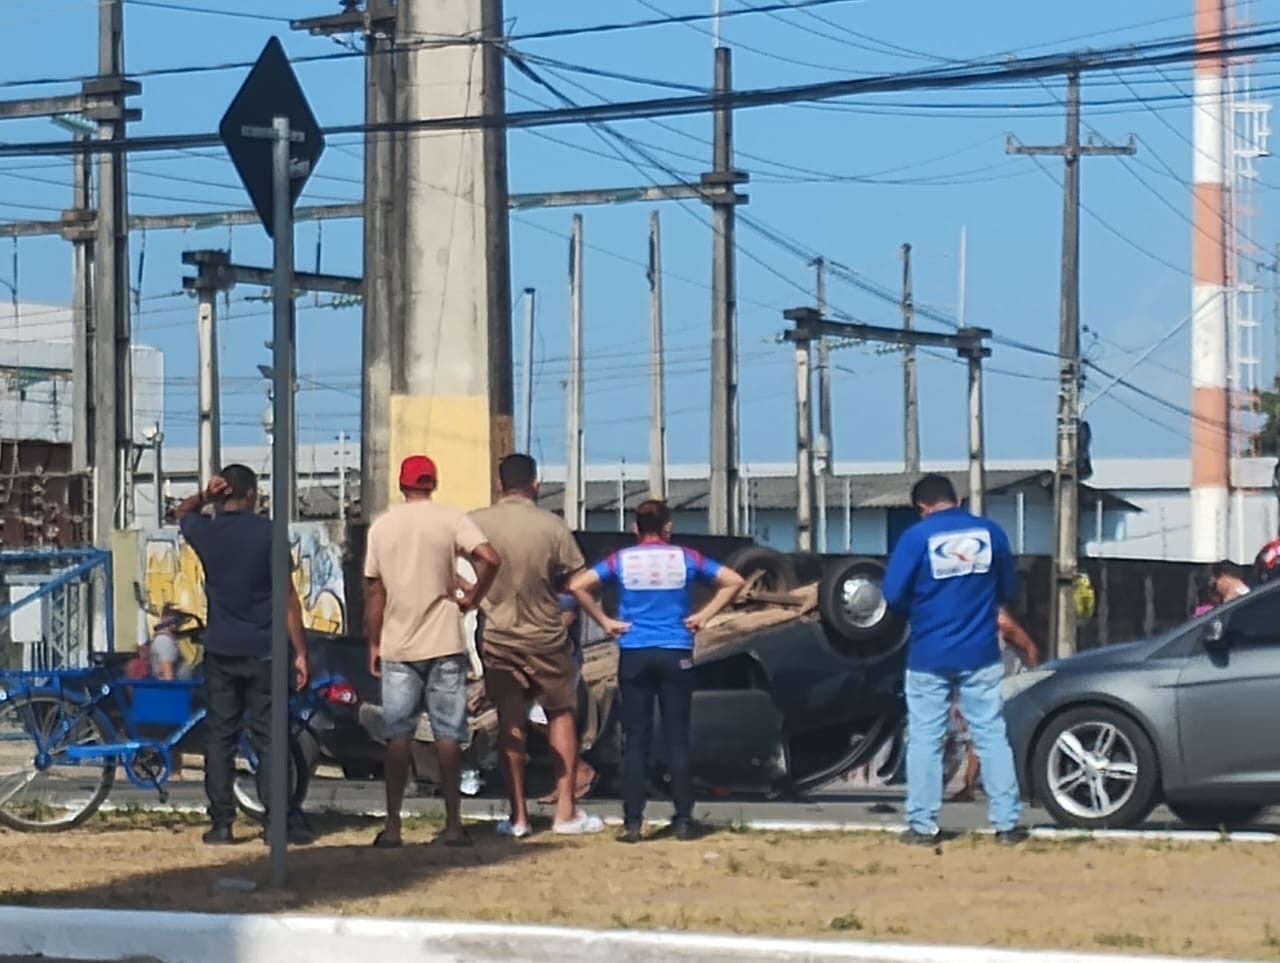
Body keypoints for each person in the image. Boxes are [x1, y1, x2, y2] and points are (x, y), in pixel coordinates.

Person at [569, 499, 744, 844]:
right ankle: (682, 819)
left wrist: (604, 620)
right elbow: (733, 580)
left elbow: (577, 585)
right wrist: (703, 616)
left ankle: (633, 822)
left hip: (634, 650)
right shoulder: (686, 557)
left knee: (635, 739)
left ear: (635, 529)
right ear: (668, 527)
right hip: (676, 648)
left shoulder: (622, 560)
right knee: (677, 737)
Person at [881, 473, 1026, 846]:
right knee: (991, 732)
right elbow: (1008, 587)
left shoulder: (916, 538)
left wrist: (920, 608)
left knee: (926, 737)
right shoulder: (991, 533)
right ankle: (1007, 824)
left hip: (929, 652)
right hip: (980, 651)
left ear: (922, 508)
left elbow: (893, 594)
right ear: (957, 500)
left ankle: (923, 825)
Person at [364, 454, 501, 848]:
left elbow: (375, 591)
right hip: (444, 639)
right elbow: (490, 557)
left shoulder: (382, 527)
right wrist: (473, 596)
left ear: (401, 484)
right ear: (433, 482)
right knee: (448, 735)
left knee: (398, 735)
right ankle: (454, 823)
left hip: (399, 643)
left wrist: (374, 641)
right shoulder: (451, 520)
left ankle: (393, 826)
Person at [470, 453, 609, 837]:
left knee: (511, 720)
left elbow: (452, 565)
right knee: (561, 714)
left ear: (499, 485)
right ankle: (566, 811)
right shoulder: (553, 526)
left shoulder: (475, 523)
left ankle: (518, 817)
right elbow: (580, 579)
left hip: (498, 635)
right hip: (547, 635)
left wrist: (469, 595)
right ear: (535, 483)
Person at [174, 465, 312, 846]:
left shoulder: (207, 533)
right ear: (251, 493)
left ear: (223, 492)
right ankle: (276, 821)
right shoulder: (269, 534)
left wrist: (204, 498)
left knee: (220, 737)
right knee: (269, 737)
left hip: (220, 648)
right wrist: (300, 652)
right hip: (265, 650)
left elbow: (180, 515)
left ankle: (221, 823)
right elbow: (287, 598)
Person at [949, 608, 1040, 803]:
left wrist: (1033, 680)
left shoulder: (1002, 622)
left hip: (1015, 683)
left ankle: (1028, 788)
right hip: (991, 684)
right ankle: (969, 787)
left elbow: (1031, 648)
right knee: (979, 733)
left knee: (1006, 734)